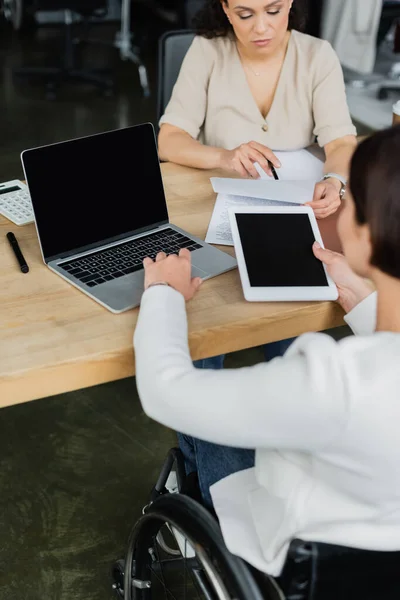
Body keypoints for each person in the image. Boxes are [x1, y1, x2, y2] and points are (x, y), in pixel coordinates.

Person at [134, 126, 400, 577]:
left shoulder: (333, 379)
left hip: (292, 544)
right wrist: (359, 299)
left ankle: (192, 511)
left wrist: (164, 294)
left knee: (205, 384)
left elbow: (162, 391)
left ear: (367, 237)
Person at [158, 0, 358, 367]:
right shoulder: (208, 50)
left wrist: (335, 179)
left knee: (293, 334)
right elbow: (169, 140)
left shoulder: (317, 56)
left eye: (273, 10)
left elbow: (342, 142)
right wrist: (222, 156)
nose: (261, 28)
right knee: (205, 319)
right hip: (216, 210)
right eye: (245, 15)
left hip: (296, 212)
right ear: (226, 9)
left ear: (291, 4)